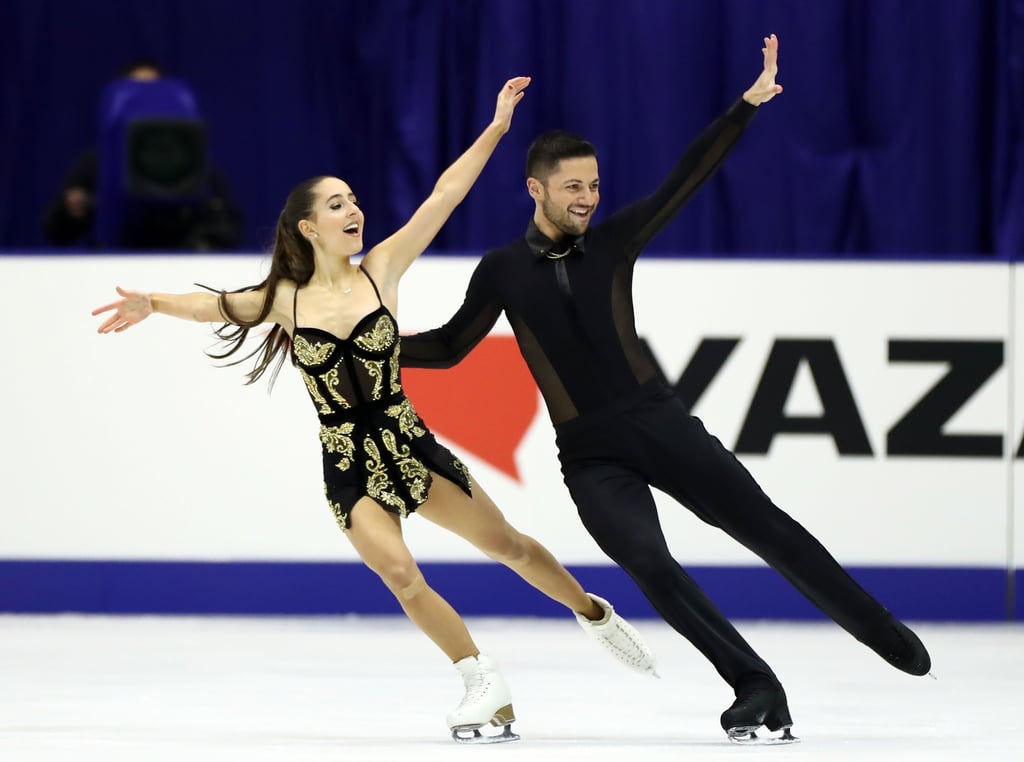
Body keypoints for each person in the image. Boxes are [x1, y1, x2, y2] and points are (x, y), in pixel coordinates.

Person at [91, 76, 656, 745]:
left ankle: (591, 612)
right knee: (397, 571)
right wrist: (152, 302)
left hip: (409, 443)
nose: (353, 209)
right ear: (310, 227)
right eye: (337, 203)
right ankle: (480, 678)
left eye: (354, 199)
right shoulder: (282, 298)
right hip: (346, 461)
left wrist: (499, 126)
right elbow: (213, 305)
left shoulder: (380, 270)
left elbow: (444, 194)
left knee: (505, 545)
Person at [399, 36, 932, 744]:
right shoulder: (501, 270)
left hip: (659, 422)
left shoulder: (616, 240)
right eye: (573, 187)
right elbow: (449, 346)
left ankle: (874, 625)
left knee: (763, 526)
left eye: (593, 185)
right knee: (646, 563)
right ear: (536, 189)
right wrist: (365, 345)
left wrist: (746, 105)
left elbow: (689, 175)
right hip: (589, 453)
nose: (588, 198)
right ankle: (755, 683)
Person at [44, 61, 242, 250]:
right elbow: (57, 233)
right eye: (137, 92)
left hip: (180, 262)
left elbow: (230, 231)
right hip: (112, 263)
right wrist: (72, 212)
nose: (146, 101)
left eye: (154, 92)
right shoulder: (97, 162)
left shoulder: (193, 163)